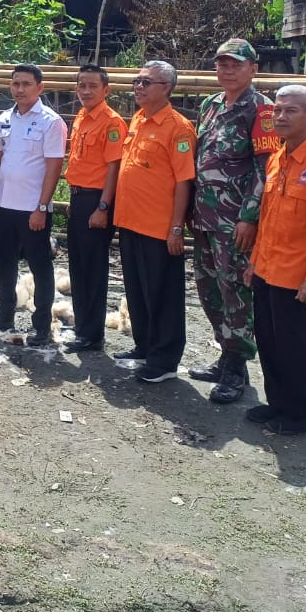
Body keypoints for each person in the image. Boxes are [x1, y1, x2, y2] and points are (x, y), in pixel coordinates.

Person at [244, 85, 306, 435]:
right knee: (269, 342)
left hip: (297, 276)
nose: (281, 116)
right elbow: (268, 216)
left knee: (295, 347)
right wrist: (254, 262)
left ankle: (301, 415)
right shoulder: (277, 158)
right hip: (268, 269)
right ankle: (278, 404)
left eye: (291, 110)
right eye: (278, 110)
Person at [189, 38, 276, 404]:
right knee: (208, 289)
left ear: (252, 69)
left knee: (235, 293)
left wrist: (249, 217)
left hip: (234, 221)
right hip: (204, 217)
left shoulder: (262, 110)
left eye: (235, 64)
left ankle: (237, 368)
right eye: (222, 63)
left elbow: (265, 168)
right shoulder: (210, 105)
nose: (227, 70)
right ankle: (225, 355)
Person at [113, 60, 196, 383]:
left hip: (159, 227)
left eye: (147, 82)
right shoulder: (138, 119)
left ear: (167, 88)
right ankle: (144, 345)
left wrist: (176, 227)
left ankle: (164, 360)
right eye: (137, 80)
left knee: (163, 295)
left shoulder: (178, 128)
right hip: (131, 221)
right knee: (137, 290)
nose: (139, 86)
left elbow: (183, 182)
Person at [0, 64, 66, 345]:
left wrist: (42, 207)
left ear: (39, 88)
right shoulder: (5, 117)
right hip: (4, 204)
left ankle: (42, 325)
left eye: (26, 84)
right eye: (15, 83)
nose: (20, 89)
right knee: (4, 262)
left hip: (33, 209)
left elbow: (54, 167)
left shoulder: (51, 122)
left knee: (40, 266)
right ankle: (4, 314)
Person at [61, 64, 128, 353]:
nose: (86, 91)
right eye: (81, 86)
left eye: (92, 86)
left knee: (93, 268)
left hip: (96, 200)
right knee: (77, 266)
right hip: (78, 198)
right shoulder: (81, 117)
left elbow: (114, 169)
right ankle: (82, 328)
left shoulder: (112, 123)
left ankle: (93, 334)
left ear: (106, 90)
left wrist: (103, 206)